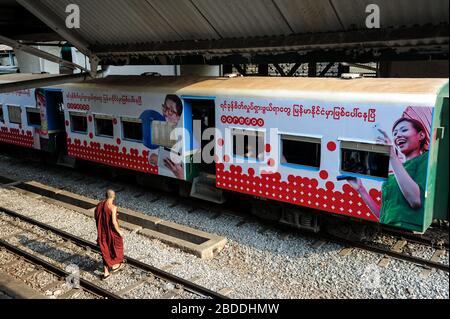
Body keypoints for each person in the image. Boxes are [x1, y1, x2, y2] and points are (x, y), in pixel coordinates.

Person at [347, 115, 430, 231]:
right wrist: (361, 189)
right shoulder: (393, 175)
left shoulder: (426, 159)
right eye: (395, 133)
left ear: (421, 135)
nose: (398, 135)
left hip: (408, 226)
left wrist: (391, 154)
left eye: (404, 130)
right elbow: (384, 216)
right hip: (391, 226)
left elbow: (415, 201)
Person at [94, 189, 125, 280]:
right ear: (114, 196)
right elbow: (114, 223)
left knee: (105, 250)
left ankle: (106, 272)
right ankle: (115, 265)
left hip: (103, 232)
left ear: (105, 195)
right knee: (117, 246)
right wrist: (119, 232)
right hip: (111, 232)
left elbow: (97, 216)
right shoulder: (113, 208)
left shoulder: (99, 205)